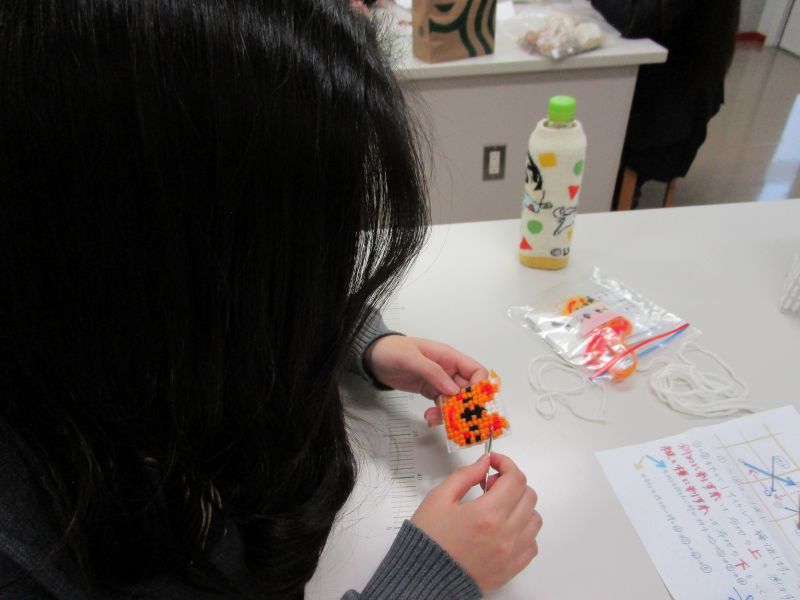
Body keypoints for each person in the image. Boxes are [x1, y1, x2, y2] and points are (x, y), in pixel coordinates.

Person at [0, 1, 542, 598]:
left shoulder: (103, 309)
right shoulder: (26, 547)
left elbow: (225, 295)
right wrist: (427, 583)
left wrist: (361, 342)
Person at [590, 0, 741, 208]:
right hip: (677, 102)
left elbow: (634, 19)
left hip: (665, 116)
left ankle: (619, 193)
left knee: (589, 119)